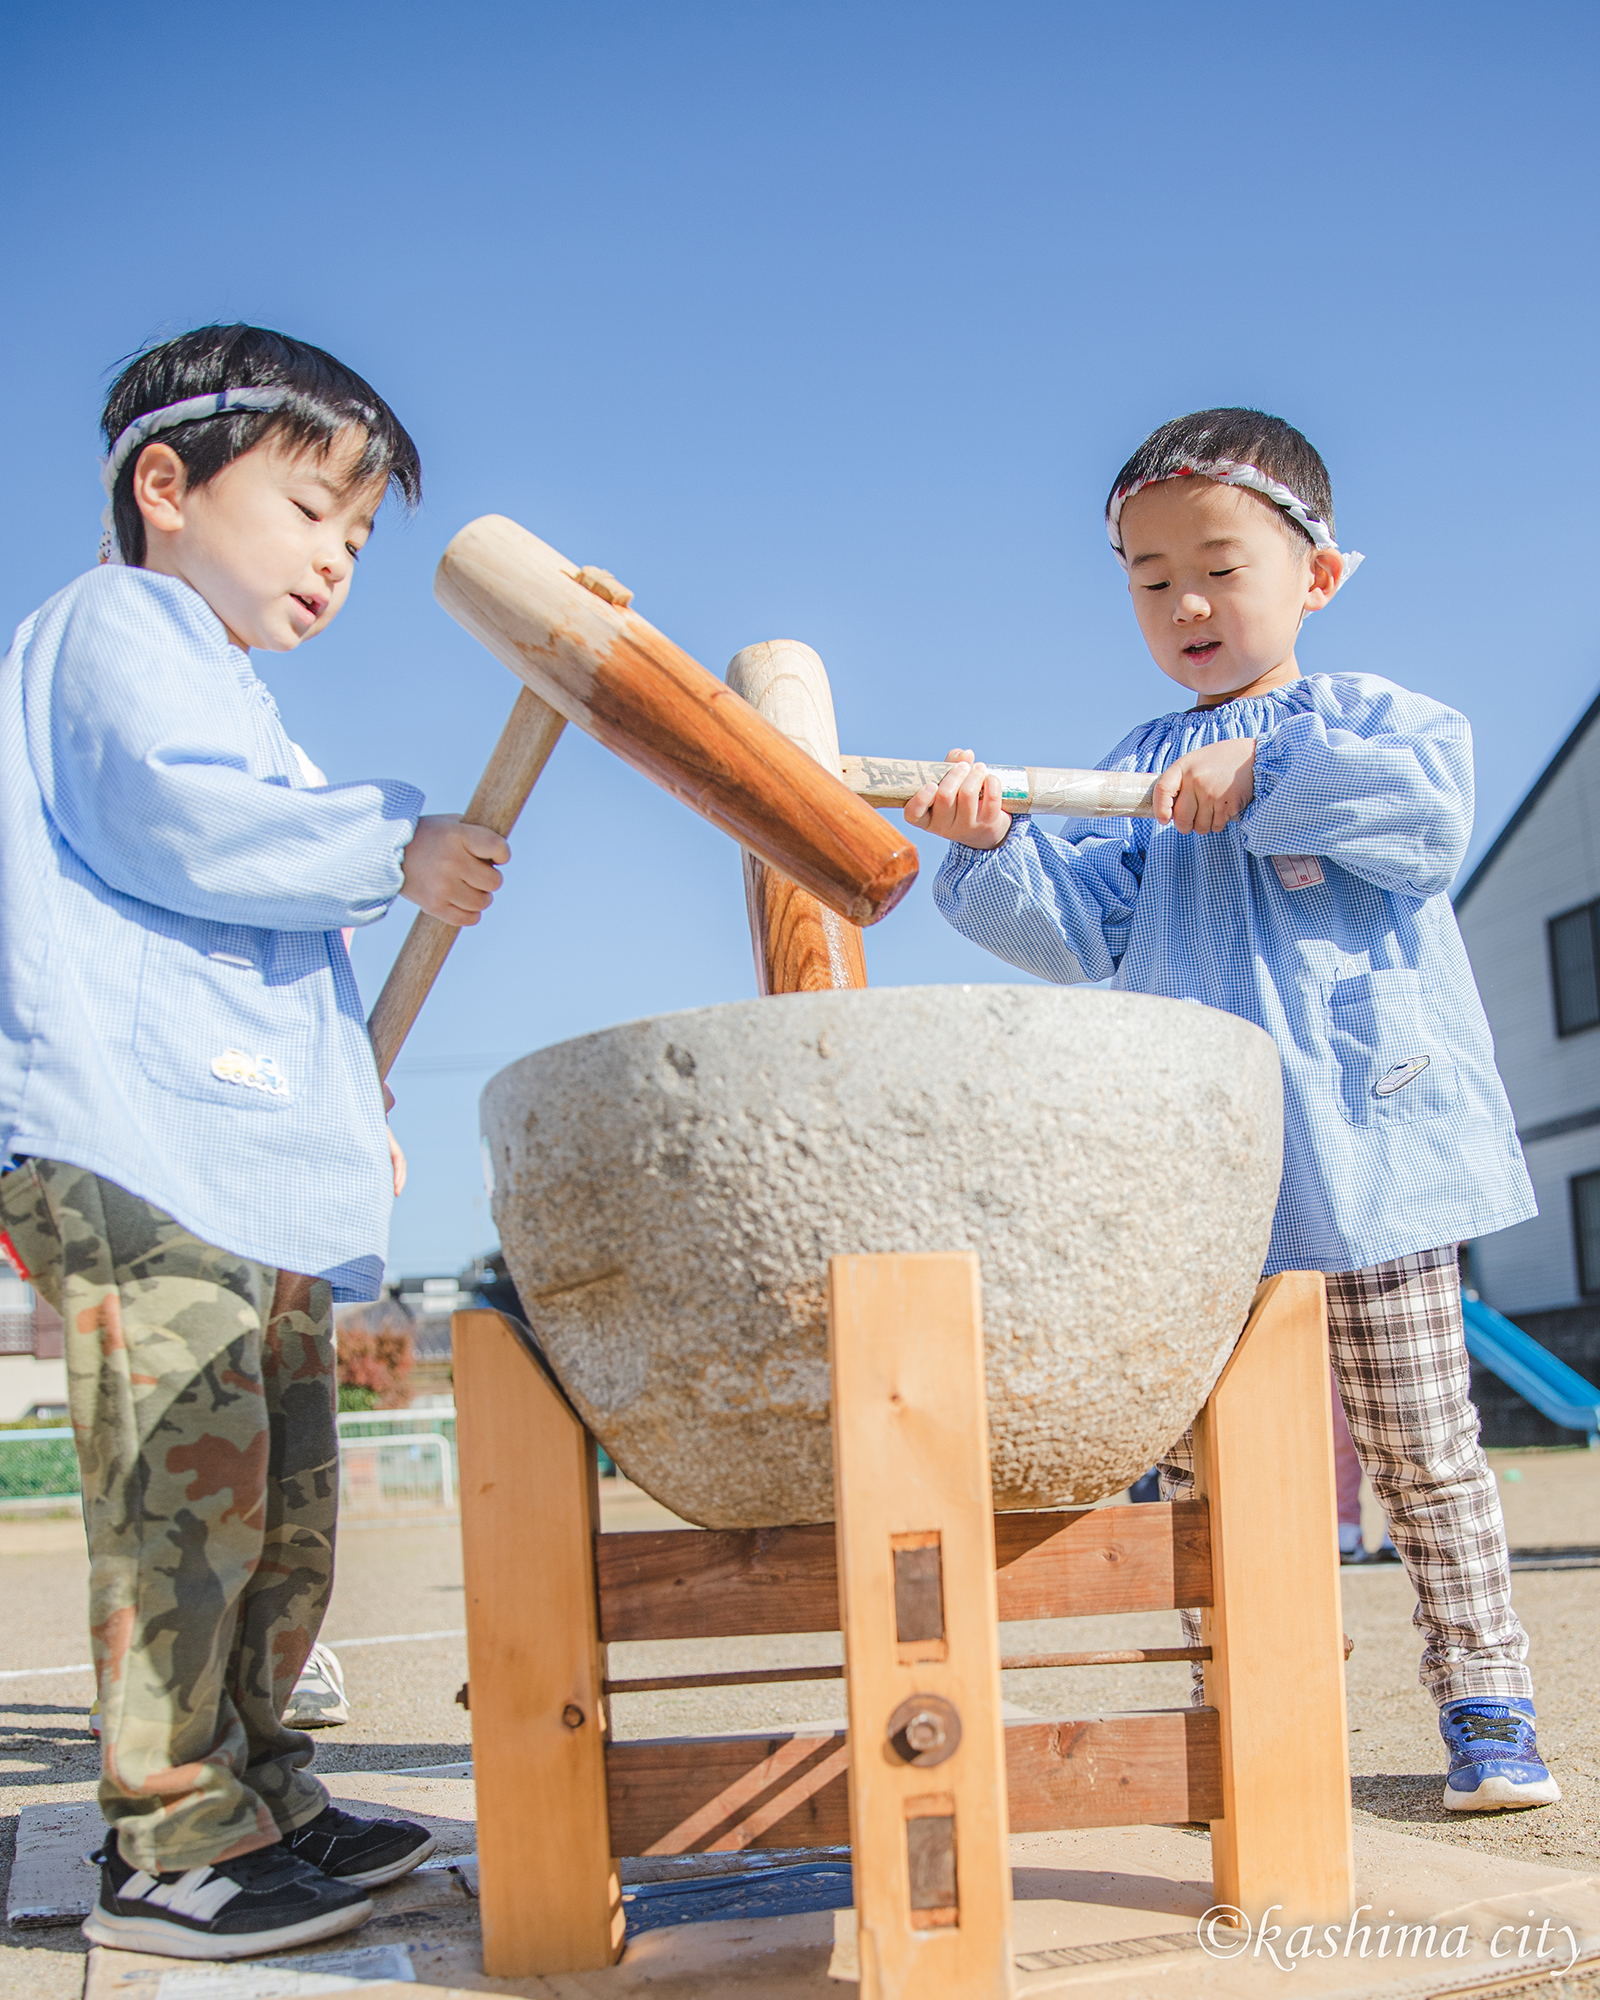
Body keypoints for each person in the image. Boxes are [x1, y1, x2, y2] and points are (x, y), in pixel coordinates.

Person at [909, 407, 1556, 1813]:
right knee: (1224, 1481)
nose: (1186, 602)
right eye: (1149, 579)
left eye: (1219, 566)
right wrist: (995, 845)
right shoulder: (1133, 760)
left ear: (1318, 577)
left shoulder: (1373, 720)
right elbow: (1078, 931)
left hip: (1378, 1161)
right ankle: (1253, 1717)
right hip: (1209, 1189)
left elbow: (1425, 821)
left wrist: (1267, 772)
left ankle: (1488, 1703)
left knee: (1428, 1456)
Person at [0, 325, 511, 1957]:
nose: (334, 560)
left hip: (244, 1155)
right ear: (166, 485)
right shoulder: (119, 629)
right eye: (309, 510)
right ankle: (166, 1837)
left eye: (357, 538)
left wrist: (343, 1120)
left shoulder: (242, 701)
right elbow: (180, 821)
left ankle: (264, 1787)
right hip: (138, 1144)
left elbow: (277, 952)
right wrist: (394, 843)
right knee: (185, 1483)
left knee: (285, 1488)